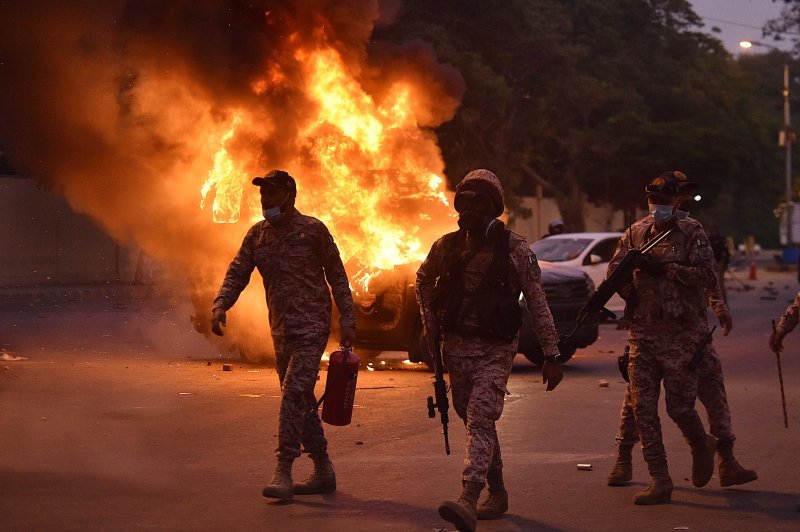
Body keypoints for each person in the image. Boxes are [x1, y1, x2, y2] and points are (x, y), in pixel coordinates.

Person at [416, 169, 564, 531]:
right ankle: (498, 493)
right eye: (464, 200)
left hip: (496, 350)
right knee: (474, 420)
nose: (469, 209)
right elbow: (421, 278)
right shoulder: (446, 246)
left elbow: (537, 301)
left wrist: (552, 354)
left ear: (494, 208)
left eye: (479, 201)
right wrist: (428, 321)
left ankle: (469, 497)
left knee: (481, 416)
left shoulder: (515, 248)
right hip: (457, 349)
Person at [210, 169, 356, 500]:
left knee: (292, 393)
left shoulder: (313, 230)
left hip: (312, 326)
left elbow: (337, 274)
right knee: (301, 401)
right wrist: (221, 304)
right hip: (281, 330)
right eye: (262, 193)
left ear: (289, 196)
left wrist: (348, 317)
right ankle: (323, 469)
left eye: (272, 193)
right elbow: (238, 272)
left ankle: (284, 469)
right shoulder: (257, 235)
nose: (265, 199)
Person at [608, 173, 756, 491]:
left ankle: (719, 454)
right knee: (638, 404)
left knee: (694, 398)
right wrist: (629, 291)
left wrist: (715, 303)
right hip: (644, 332)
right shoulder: (636, 232)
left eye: (669, 199)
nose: (661, 206)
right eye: (655, 200)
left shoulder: (691, 230)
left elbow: (707, 274)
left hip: (685, 333)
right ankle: (651, 472)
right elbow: (614, 272)